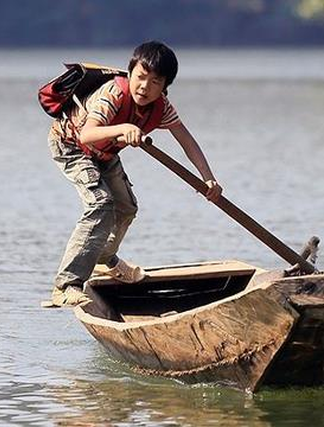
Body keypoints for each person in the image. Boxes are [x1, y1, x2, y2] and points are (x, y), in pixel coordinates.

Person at [46, 41, 222, 306]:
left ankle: (104, 258)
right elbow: (87, 133)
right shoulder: (113, 95)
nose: (145, 87)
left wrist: (208, 178)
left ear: (165, 87)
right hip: (72, 146)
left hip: (105, 154)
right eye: (140, 77)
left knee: (127, 208)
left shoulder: (162, 107)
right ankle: (66, 285)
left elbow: (186, 140)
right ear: (130, 73)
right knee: (101, 204)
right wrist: (122, 128)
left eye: (155, 82)